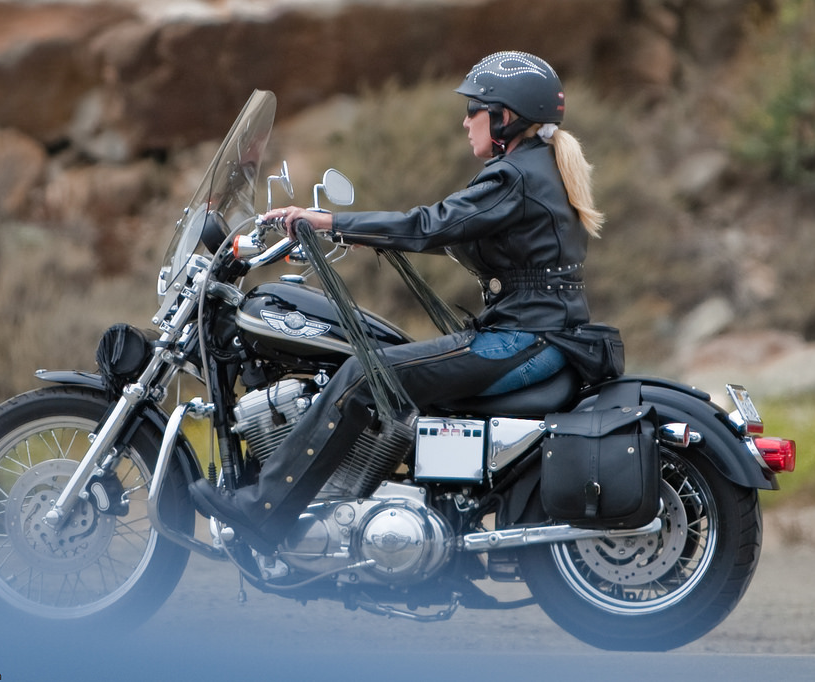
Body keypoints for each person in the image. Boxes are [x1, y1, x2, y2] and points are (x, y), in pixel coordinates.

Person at [190, 51, 605, 552]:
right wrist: (361, 235)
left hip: (524, 338)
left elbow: (429, 225)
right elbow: (444, 229)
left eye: (474, 108)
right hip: (537, 333)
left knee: (364, 376)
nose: (465, 120)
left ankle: (264, 510)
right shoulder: (535, 168)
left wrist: (329, 222)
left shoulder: (515, 176)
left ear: (504, 116)